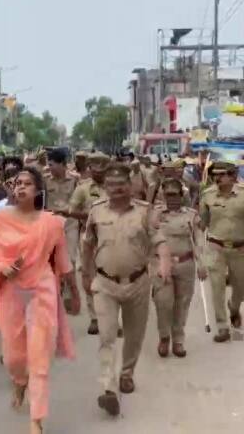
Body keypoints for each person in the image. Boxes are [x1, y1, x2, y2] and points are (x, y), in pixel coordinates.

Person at [0, 167, 79, 434]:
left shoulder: (52, 223)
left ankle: (36, 420)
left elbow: (63, 262)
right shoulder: (1, 220)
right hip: (12, 291)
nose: (20, 187)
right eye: (17, 183)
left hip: (42, 289)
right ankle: (18, 380)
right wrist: (3, 267)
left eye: (27, 183)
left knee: (39, 356)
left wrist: (75, 295)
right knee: (13, 357)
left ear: (38, 191)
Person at [81, 163, 171, 417]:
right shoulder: (97, 211)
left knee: (134, 334)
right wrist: (85, 273)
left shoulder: (144, 212)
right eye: (111, 185)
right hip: (105, 282)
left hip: (138, 282)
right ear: (105, 187)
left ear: (130, 186)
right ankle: (108, 389)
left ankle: (127, 373)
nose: (116, 189)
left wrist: (163, 263)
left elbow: (160, 241)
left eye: (121, 184)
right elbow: (88, 244)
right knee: (107, 336)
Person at [151, 178, 207, 358]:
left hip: (185, 263)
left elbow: (198, 239)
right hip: (162, 264)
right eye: (168, 194)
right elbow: (147, 237)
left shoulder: (190, 215)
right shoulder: (156, 214)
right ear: (163, 195)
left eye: (175, 194)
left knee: (182, 303)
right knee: (163, 302)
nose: (172, 198)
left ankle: (178, 340)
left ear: (182, 195)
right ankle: (164, 337)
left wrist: (201, 263)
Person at [199, 161, 244, 343]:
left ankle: (234, 308)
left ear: (233, 176)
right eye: (215, 175)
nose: (218, 178)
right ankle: (222, 326)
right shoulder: (207, 196)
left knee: (241, 287)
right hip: (215, 246)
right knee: (216, 287)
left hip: (240, 247)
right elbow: (202, 223)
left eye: (222, 174)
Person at [68, 151, 110, 335]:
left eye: (102, 169)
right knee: (90, 277)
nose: (98, 172)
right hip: (90, 236)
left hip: (113, 235)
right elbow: (72, 210)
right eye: (94, 168)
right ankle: (94, 317)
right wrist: (90, 216)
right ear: (90, 169)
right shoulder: (83, 188)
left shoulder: (115, 186)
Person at [45, 149, 80, 305]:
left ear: (62, 165)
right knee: (53, 258)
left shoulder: (75, 180)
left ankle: (66, 290)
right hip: (51, 225)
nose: (49, 167)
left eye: (52, 164)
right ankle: (56, 287)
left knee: (70, 258)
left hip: (70, 224)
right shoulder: (45, 181)